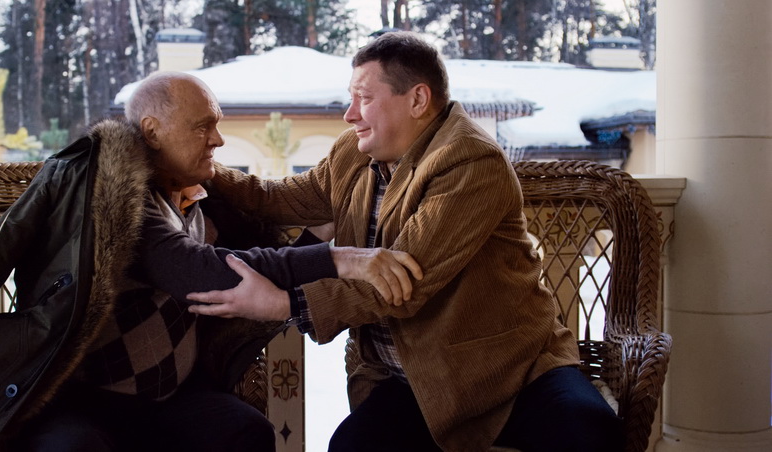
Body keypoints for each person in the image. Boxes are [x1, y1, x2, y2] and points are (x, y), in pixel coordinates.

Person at [0, 71, 420, 452]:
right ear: (152, 132)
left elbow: (254, 251)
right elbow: (196, 271)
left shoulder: (202, 193)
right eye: (204, 127)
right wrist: (342, 259)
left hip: (172, 397)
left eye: (218, 124)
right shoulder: (113, 197)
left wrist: (324, 233)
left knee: (245, 432)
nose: (219, 140)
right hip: (81, 399)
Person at [187, 32, 624, 452]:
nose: (350, 114)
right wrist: (198, 165)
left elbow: (403, 281)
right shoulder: (353, 152)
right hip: (416, 381)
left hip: (512, 374)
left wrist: (283, 303)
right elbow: (275, 199)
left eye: (364, 98)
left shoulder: (471, 161)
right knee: (351, 447)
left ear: (417, 100)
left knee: (589, 434)